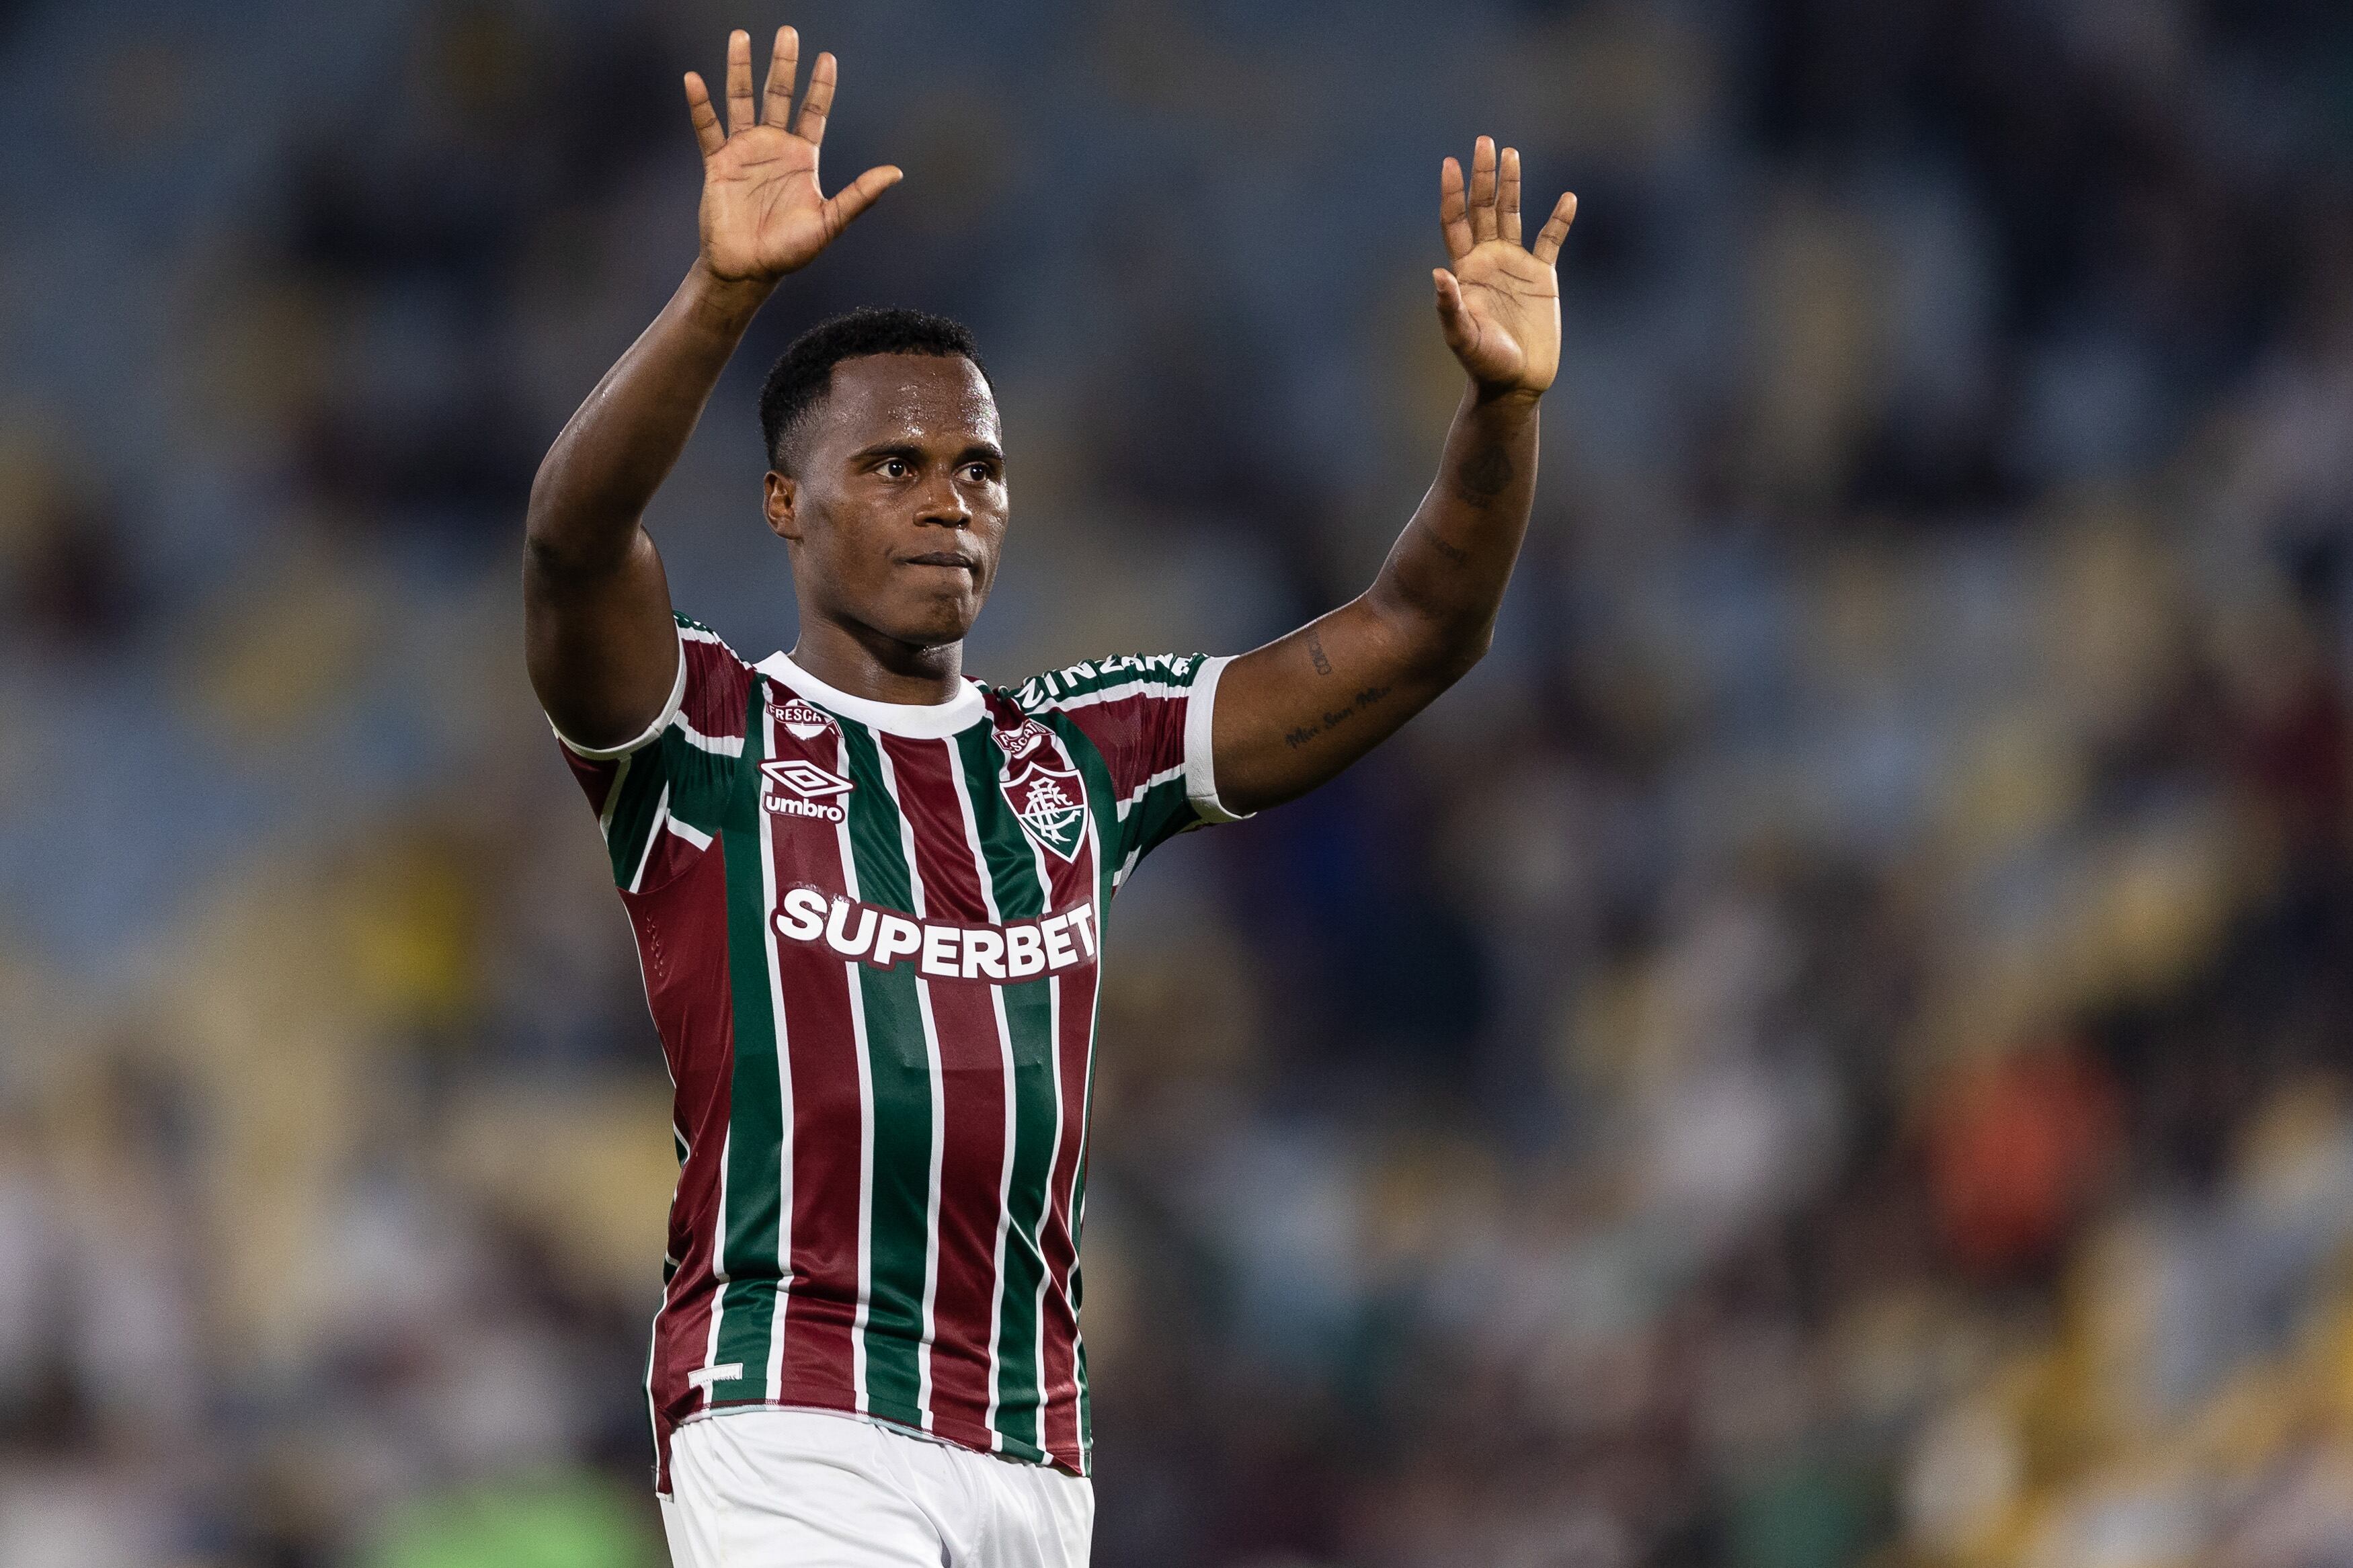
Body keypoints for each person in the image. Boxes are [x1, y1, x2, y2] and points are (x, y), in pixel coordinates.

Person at [523, 24, 1576, 1568]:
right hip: (791, 1417)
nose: (949, 495)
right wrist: (720, 299)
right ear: (782, 507)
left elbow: (1420, 632)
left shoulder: (1081, 752)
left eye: (980, 466)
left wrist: (1499, 416)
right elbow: (567, 546)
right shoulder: (705, 735)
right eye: (890, 465)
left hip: (1032, 1447)